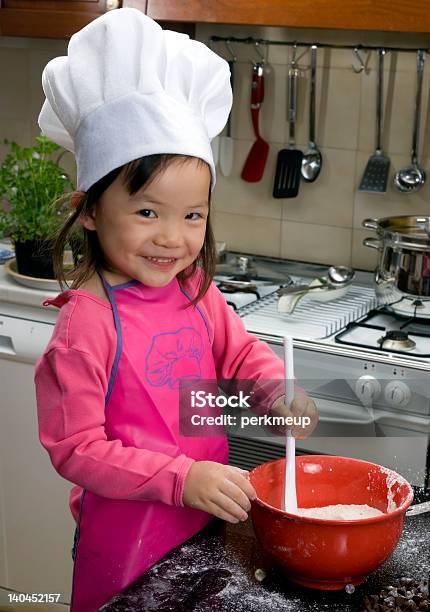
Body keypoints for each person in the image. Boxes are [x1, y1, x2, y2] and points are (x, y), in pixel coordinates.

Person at [34, 8, 318, 611]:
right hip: (126, 535)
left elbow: (240, 352)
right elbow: (76, 448)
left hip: (203, 520)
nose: (173, 238)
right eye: (146, 212)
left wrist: (273, 390)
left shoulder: (195, 291)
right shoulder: (86, 323)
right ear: (89, 210)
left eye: (192, 215)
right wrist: (180, 479)